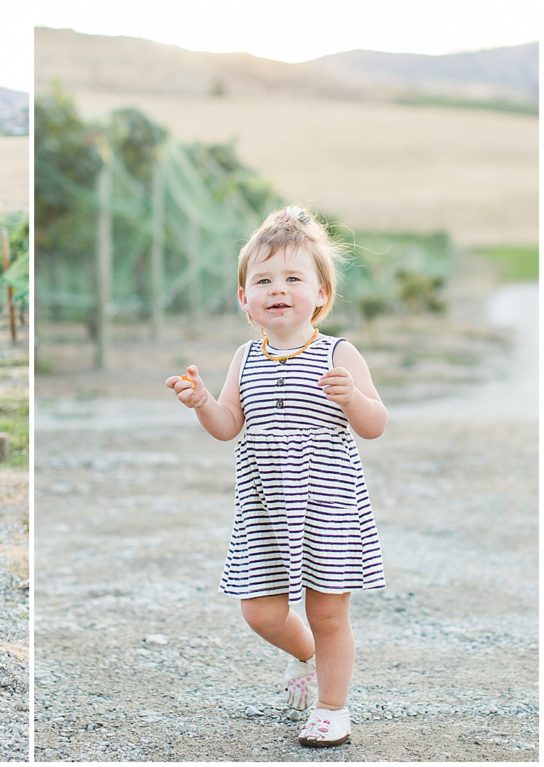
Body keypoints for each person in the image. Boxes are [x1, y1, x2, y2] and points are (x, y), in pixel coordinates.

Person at [164, 205, 387, 747]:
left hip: (327, 509)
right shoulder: (246, 356)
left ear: (321, 295)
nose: (277, 289)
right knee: (260, 612)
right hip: (264, 511)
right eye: (262, 280)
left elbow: (375, 425)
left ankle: (333, 708)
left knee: (328, 612)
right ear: (245, 299)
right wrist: (201, 401)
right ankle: (306, 656)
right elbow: (227, 426)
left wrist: (352, 397)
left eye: (292, 278)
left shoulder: (339, 354)